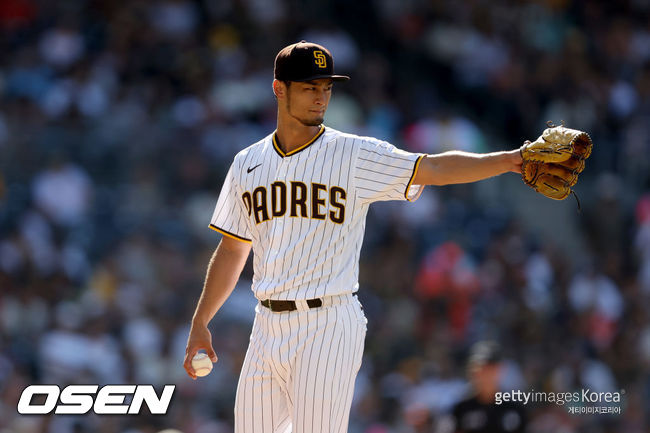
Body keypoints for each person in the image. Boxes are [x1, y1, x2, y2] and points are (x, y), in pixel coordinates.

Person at [183, 41, 523, 433]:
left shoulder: (353, 154)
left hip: (328, 320)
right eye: (310, 87)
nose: (320, 96)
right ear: (280, 89)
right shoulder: (247, 163)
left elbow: (431, 167)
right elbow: (232, 249)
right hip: (266, 324)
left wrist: (511, 159)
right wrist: (201, 320)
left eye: (326, 87)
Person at [447, 341, 527, 433]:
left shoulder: (514, 410)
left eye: (491, 367)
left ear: (501, 369)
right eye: (481, 367)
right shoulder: (460, 409)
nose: (485, 373)